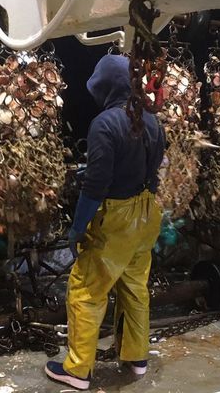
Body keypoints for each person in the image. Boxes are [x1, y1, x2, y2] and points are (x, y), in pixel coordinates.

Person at [44, 54, 165, 390]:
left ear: (108, 87)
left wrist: (78, 227)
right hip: (146, 212)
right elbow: (153, 175)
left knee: (86, 290)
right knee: (135, 287)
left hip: (117, 216)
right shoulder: (153, 121)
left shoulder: (105, 123)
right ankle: (136, 358)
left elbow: (95, 186)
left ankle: (78, 370)